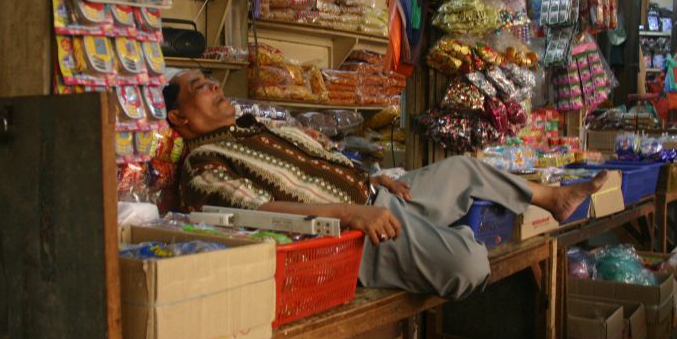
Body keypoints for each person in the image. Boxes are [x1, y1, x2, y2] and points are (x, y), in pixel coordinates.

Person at [164, 69, 607, 300]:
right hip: (351, 235)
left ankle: (550, 197)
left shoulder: (253, 125)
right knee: (470, 267)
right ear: (179, 119)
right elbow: (259, 214)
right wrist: (353, 213)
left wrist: (373, 177)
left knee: (462, 168)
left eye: (210, 79)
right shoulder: (203, 164)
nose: (214, 85)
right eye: (199, 87)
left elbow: (323, 158)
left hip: (375, 194)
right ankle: (448, 241)